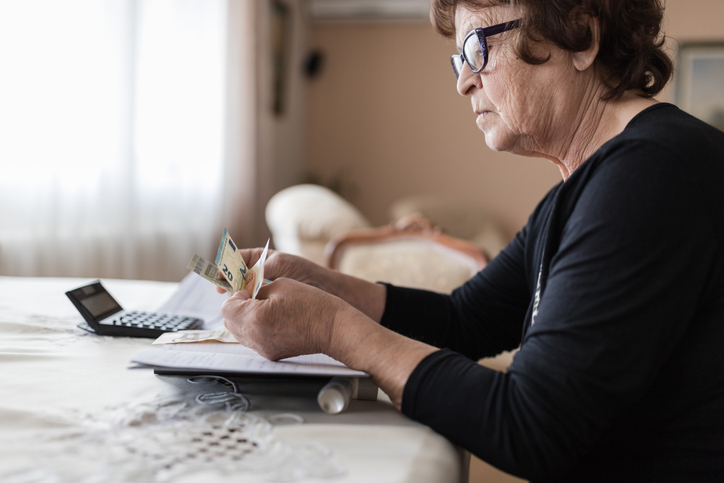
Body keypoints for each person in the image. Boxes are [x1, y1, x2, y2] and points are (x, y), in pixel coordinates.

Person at [219, 0, 724, 480]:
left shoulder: (652, 174)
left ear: (583, 36)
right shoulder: (594, 183)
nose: (463, 81)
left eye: (479, 47)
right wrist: (323, 285)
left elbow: (533, 426)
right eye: (459, 58)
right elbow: (466, 319)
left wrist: (330, 327)